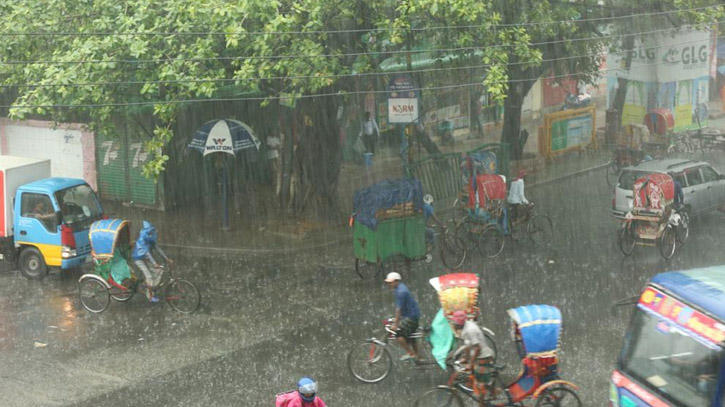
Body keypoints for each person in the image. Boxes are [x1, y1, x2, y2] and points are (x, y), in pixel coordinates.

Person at [452, 310, 495, 405]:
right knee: (475, 378)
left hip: (483, 357)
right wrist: (465, 358)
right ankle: (492, 391)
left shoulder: (470, 330)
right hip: (478, 357)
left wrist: (470, 363)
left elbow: (477, 347)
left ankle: (482, 403)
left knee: (480, 386)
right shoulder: (465, 327)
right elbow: (468, 345)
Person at [132, 221, 172, 302]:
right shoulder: (142, 240)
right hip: (139, 259)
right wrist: (154, 263)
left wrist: (166, 258)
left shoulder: (150, 239)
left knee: (158, 270)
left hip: (146, 258)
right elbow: (147, 254)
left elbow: (157, 249)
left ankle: (149, 286)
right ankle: (149, 296)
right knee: (149, 277)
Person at [384, 271, 421, 361]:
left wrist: (396, 324)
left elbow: (398, 310)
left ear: (396, 281)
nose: (389, 284)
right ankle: (418, 356)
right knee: (411, 336)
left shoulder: (401, 291)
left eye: (390, 282)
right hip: (413, 315)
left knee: (398, 333)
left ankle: (410, 353)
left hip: (411, 317)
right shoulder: (399, 288)